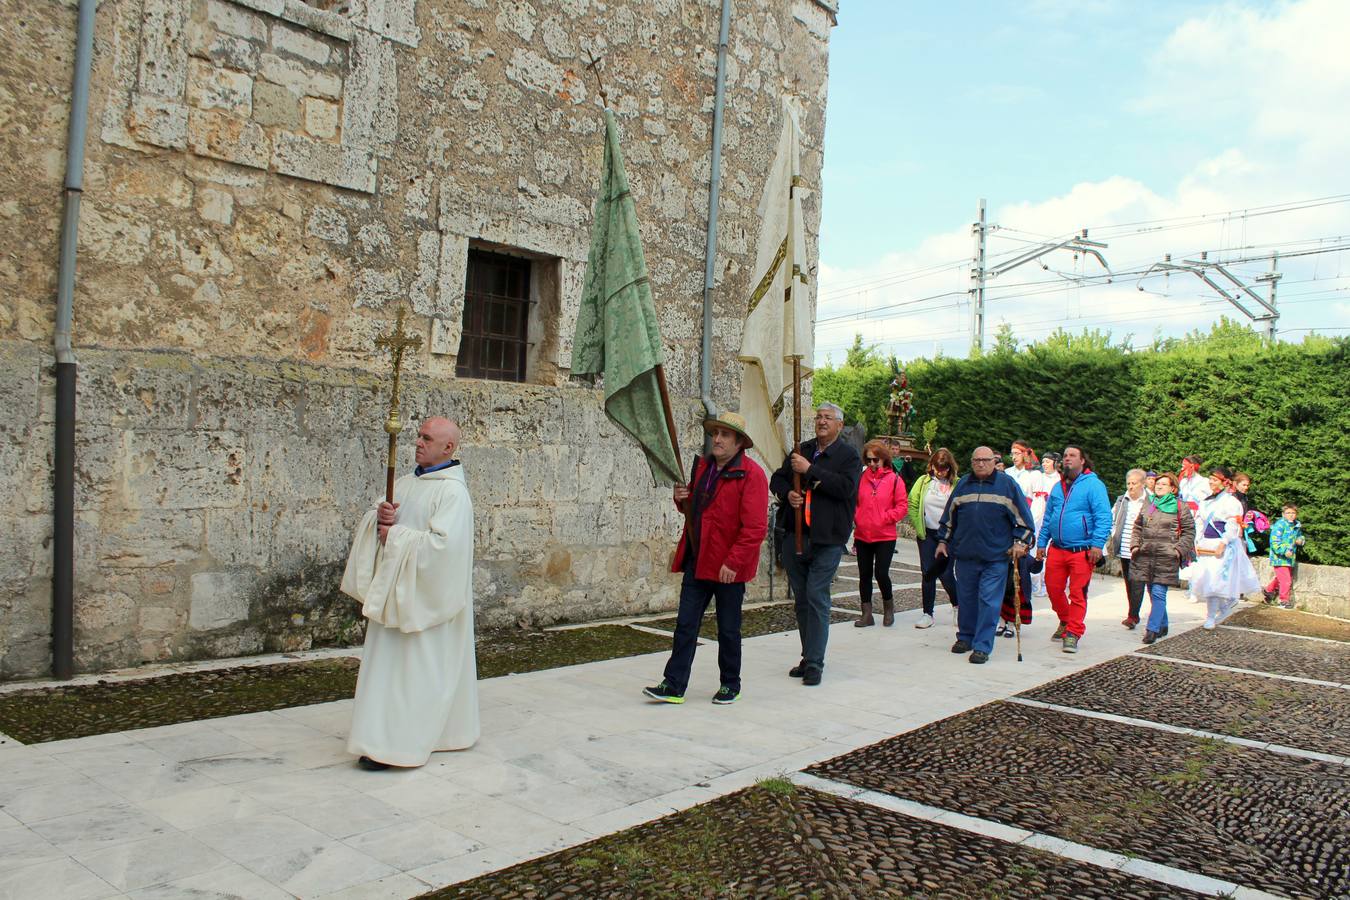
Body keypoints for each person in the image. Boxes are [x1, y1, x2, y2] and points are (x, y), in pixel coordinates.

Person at [341, 417, 479, 770]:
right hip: (397, 598)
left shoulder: (452, 493)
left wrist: (396, 537)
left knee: (416, 673)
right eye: (418, 435)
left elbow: (445, 549)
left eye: (427, 438)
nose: (418, 442)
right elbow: (382, 520)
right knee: (386, 672)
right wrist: (379, 517)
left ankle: (399, 745)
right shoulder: (403, 483)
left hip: (425, 603)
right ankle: (378, 737)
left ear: (448, 448)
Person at [644, 411, 768, 705]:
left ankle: (730, 684)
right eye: (716, 433)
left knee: (728, 629)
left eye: (725, 435)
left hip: (728, 568)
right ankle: (673, 685)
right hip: (698, 561)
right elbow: (696, 511)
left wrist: (733, 562)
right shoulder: (703, 469)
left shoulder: (753, 476)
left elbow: (755, 529)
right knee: (685, 625)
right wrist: (681, 498)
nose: (718, 439)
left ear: (739, 443)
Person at [771, 402, 862, 686]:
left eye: (828, 418)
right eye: (819, 417)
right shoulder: (802, 450)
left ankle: (814, 663)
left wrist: (810, 470)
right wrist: (788, 494)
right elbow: (777, 478)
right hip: (795, 536)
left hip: (827, 538)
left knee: (816, 596)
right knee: (801, 601)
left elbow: (845, 489)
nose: (822, 421)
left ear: (839, 424)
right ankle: (808, 654)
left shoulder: (848, 456)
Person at [933, 447, 1035, 665]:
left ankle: (982, 646)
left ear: (993, 461)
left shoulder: (1007, 485)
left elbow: (1024, 522)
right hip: (966, 555)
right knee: (967, 600)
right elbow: (949, 517)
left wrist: (1020, 542)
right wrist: (943, 541)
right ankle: (965, 637)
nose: (980, 464)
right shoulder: (963, 485)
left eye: (985, 460)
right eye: (976, 460)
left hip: (995, 557)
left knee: (989, 601)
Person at [1036, 445, 1111, 654]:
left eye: (1072, 456)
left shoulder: (1094, 485)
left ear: (1082, 461)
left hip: (1082, 550)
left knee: (1078, 593)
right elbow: (1048, 517)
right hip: (1057, 549)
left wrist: (1097, 544)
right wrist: (1041, 543)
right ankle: (1065, 619)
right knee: (1052, 589)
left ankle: (1073, 632)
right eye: (1066, 456)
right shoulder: (1057, 487)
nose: (1067, 459)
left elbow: (1103, 517)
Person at [1183, 466, 1260, 629]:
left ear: (1225, 482)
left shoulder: (1232, 502)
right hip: (1206, 544)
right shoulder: (1205, 501)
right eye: (1210, 479)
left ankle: (1211, 617)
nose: (1211, 482)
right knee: (1204, 579)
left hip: (1222, 545)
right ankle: (1222, 607)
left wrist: (1224, 542)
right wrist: (1196, 542)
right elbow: (1199, 523)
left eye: (1215, 480)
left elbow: (1232, 525)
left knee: (1215, 582)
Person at [1127, 472, 1195, 644]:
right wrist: (1135, 545)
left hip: (1166, 556)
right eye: (1158, 484)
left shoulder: (1180, 507)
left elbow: (1189, 532)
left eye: (1163, 484)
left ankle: (1152, 629)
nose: (1158, 486)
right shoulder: (1150, 503)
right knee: (1151, 591)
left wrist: (1178, 551)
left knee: (1158, 592)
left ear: (1172, 488)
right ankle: (1163, 623)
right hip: (1145, 555)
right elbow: (1138, 526)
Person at [853, 439, 908, 627]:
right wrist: (858, 517)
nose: (871, 464)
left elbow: (902, 506)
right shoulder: (861, 478)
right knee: (864, 574)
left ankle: (888, 607)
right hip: (863, 534)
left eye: (875, 460)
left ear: (884, 459)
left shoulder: (895, 480)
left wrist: (885, 517)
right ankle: (866, 614)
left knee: (881, 573)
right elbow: (855, 502)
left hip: (885, 535)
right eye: (868, 460)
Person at [906, 448, 959, 630]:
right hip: (928, 533)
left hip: (948, 536)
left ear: (950, 468)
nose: (940, 472)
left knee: (945, 574)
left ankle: (957, 605)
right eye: (937, 467)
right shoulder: (923, 481)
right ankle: (927, 613)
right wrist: (918, 527)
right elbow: (912, 502)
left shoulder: (957, 485)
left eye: (943, 469)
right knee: (928, 572)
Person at [999, 441, 1043, 637]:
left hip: (1024, 523)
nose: (1014, 456)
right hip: (1007, 523)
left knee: (1018, 573)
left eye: (1018, 453)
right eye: (1012, 453)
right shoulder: (1007, 473)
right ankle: (1002, 619)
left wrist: (1027, 527)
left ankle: (1013, 618)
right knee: (1003, 577)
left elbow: (1038, 502)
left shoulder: (1034, 475)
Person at [1106, 469, 1149, 629]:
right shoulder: (1121, 500)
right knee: (1129, 582)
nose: (1131, 487)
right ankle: (1133, 612)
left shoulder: (1149, 502)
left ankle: (1133, 616)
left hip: (1141, 549)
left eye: (1134, 483)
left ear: (1143, 484)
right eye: (1128, 483)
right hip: (1124, 547)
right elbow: (1112, 519)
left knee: (1137, 582)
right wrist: (1113, 533)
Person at [1262, 503, 1305, 610]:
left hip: (1290, 558)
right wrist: (1284, 551)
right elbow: (1274, 542)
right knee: (1286, 580)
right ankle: (1284, 601)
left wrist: (1301, 540)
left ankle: (1268, 591)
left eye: (1293, 513)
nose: (1291, 515)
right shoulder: (1279, 525)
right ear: (1283, 514)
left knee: (1282, 578)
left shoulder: (1296, 525)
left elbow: (1299, 536)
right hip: (1279, 558)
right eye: (1288, 513)